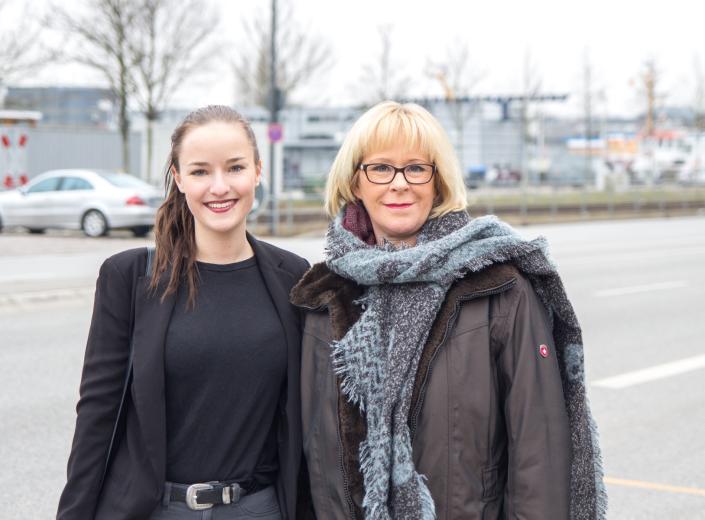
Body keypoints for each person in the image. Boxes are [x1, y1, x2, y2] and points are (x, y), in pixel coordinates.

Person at [290, 101, 606, 519]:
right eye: (381, 168)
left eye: (417, 168)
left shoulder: (499, 288)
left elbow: (538, 454)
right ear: (355, 181)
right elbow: (305, 457)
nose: (399, 184)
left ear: (438, 181)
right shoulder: (322, 297)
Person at [57, 105, 311, 520]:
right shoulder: (129, 278)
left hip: (259, 509)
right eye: (199, 172)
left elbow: (308, 421)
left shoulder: (293, 277)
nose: (219, 186)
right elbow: (97, 418)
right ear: (178, 178)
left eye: (234, 168)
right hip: (157, 509)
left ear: (258, 171)